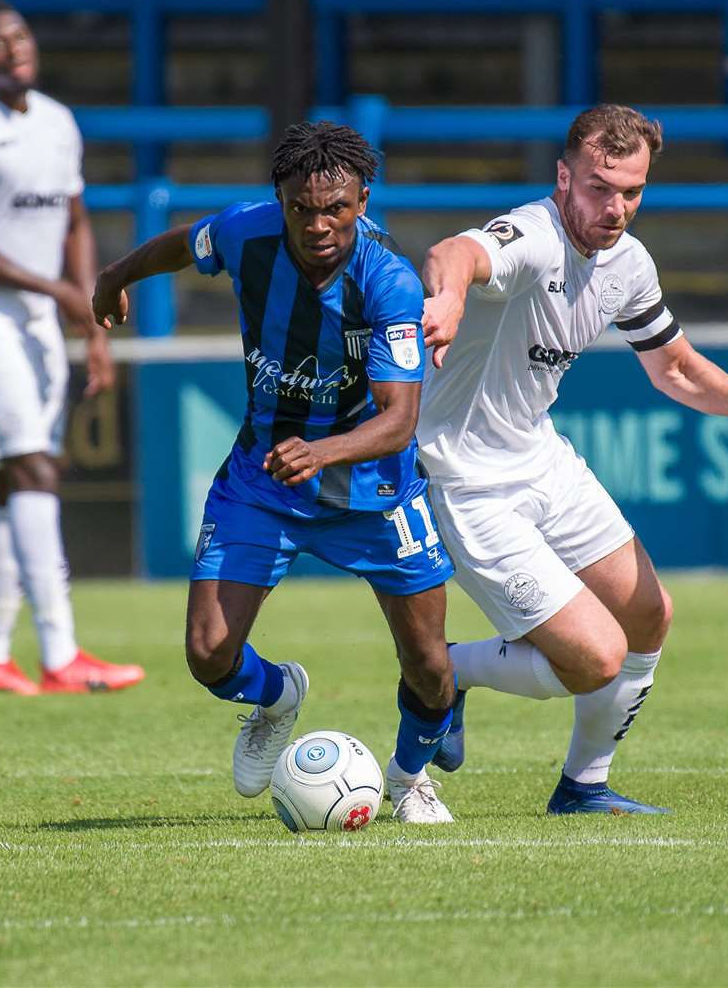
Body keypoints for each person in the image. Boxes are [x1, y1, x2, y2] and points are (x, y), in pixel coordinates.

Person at [415, 105, 728, 814]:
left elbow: (674, 367)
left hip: (540, 457)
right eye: (599, 186)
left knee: (649, 616)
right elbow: (452, 254)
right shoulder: (530, 237)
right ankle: (442, 671)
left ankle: (583, 787)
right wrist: (451, 298)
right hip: (465, 479)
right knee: (595, 658)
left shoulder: (629, 263)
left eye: (632, 191)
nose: (615, 207)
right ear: (564, 176)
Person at [90, 121, 460, 823]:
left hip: (374, 492)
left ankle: (411, 779)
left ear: (362, 200)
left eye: (337, 209)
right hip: (263, 478)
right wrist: (113, 277)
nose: (319, 224)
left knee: (432, 669)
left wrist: (321, 452)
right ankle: (274, 697)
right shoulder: (245, 233)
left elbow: (398, 421)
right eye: (302, 208)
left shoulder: (388, 284)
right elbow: (181, 244)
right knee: (207, 654)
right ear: (280, 199)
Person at [0, 0, 143, 696]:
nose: (10, 49)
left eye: (18, 36)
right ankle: (61, 652)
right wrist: (58, 293)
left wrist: (89, 319)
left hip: (40, 318)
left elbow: (75, 223)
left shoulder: (57, 122)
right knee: (34, 467)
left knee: (8, 481)